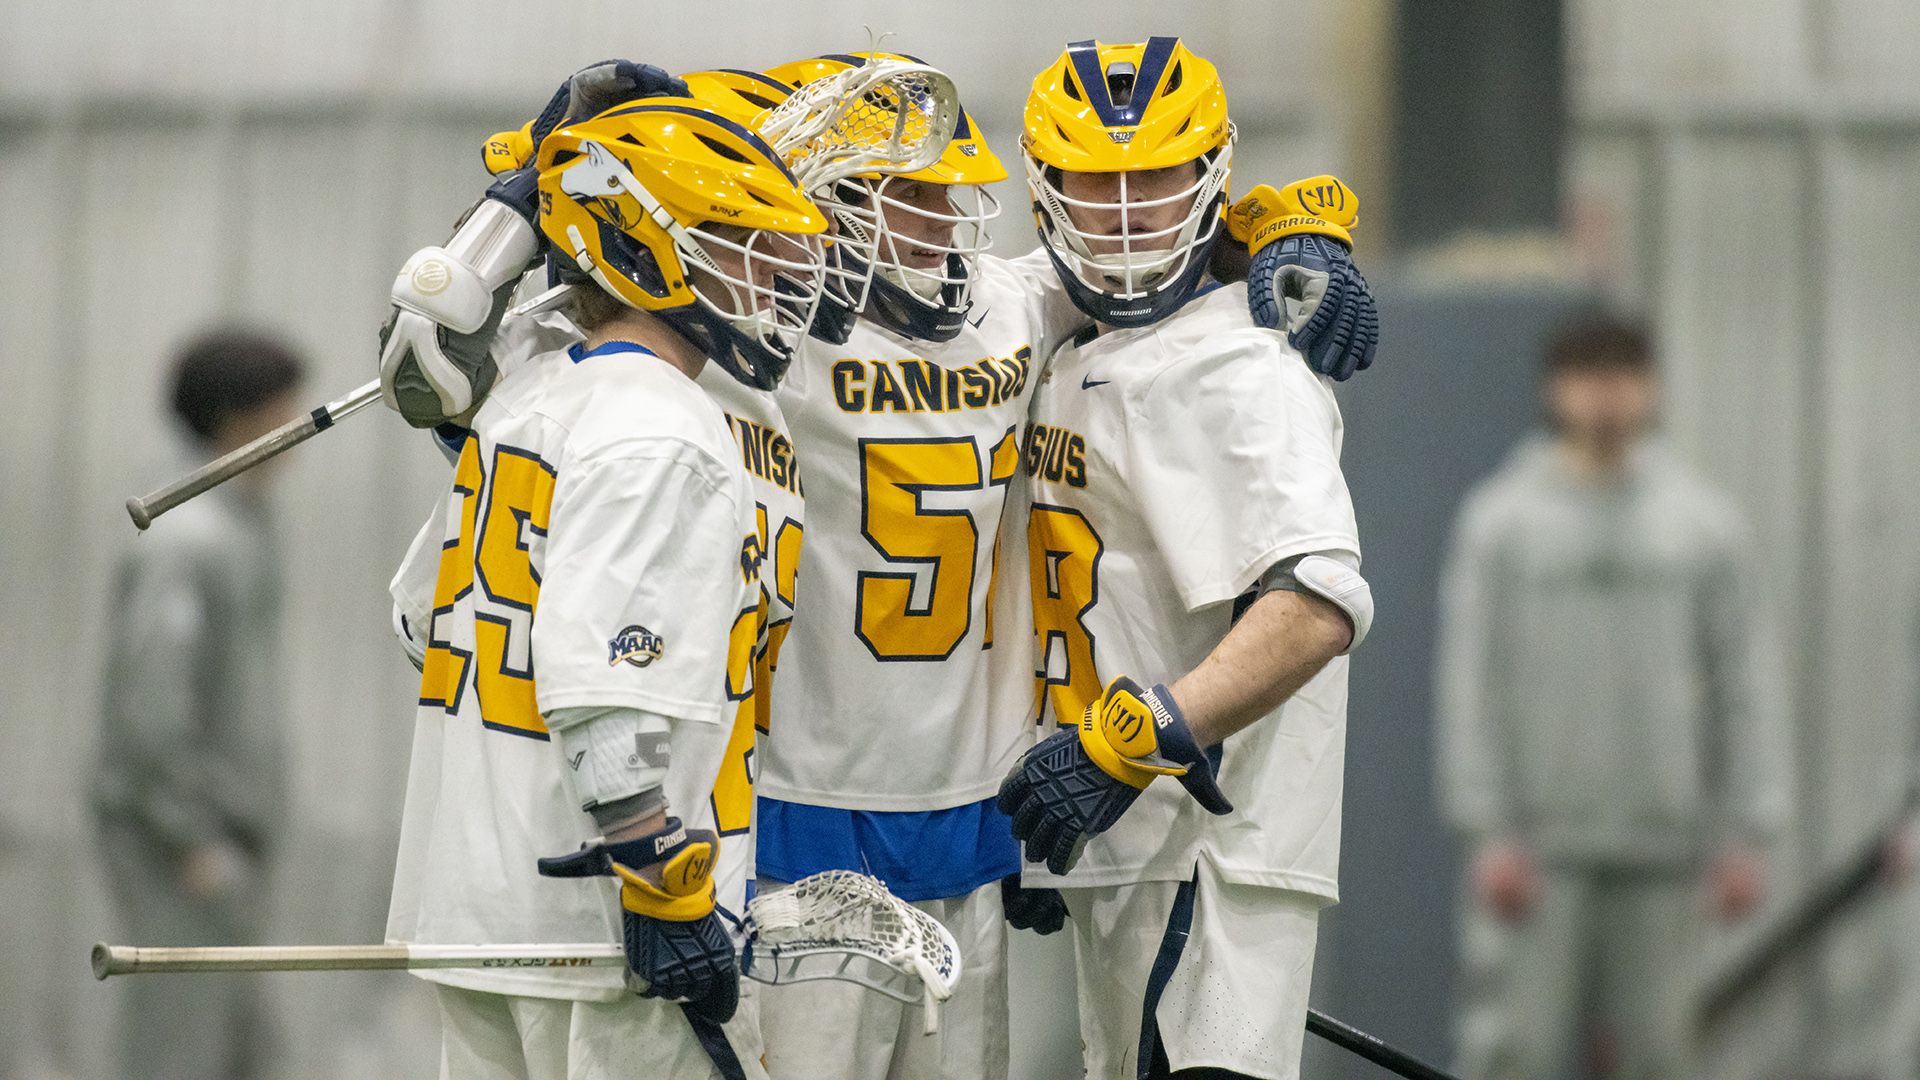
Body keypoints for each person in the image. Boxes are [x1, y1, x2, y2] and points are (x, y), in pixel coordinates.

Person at [383, 87, 828, 1080]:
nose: (777, 274)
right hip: (596, 921)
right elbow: (597, 690)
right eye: (735, 242)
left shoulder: (532, 393)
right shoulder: (661, 425)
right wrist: (657, 872)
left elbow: (419, 617)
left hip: (476, 904)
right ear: (645, 253)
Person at [996, 37, 1372, 1080]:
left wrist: (1127, 746)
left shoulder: (1240, 366)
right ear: (1043, 185)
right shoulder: (1078, 340)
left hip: (1202, 850)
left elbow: (1317, 604)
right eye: (1095, 179)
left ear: (1210, 180)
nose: (1123, 213)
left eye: (1155, 176)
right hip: (1131, 848)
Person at [1435, 310, 1792, 1078]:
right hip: (1539, 853)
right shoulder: (1502, 523)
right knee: (1515, 1054)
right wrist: (1488, 830)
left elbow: (1745, 679)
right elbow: (1472, 681)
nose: (1607, 397)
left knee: (1661, 1056)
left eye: (1625, 377)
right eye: (1587, 376)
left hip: (1665, 849)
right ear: (1553, 390)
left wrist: (1746, 831)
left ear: (1652, 390)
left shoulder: (1704, 526)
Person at [91, 330, 306, 1080]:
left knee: (231, 1046)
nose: (298, 426)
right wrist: (190, 839)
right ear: (234, 421)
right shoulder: (188, 536)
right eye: (284, 408)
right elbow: (150, 704)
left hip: (223, 833)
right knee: (177, 1047)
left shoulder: (235, 521)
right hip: (185, 840)